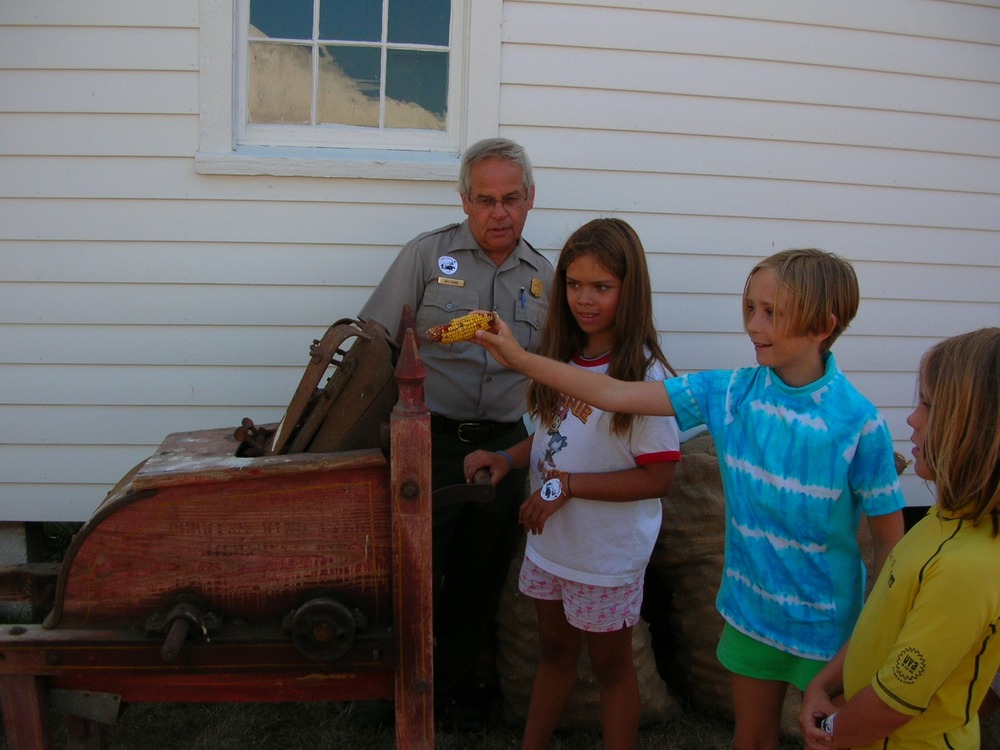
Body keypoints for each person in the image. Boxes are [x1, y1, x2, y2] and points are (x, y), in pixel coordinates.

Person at [474, 248, 906, 750]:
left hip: (833, 631)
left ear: (823, 325)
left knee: (834, 742)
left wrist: (872, 640)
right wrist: (521, 359)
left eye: (772, 312)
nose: (753, 325)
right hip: (749, 617)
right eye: (749, 307)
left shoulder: (862, 425)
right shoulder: (730, 394)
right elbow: (614, 394)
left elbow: (892, 551)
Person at [357, 137, 554, 728]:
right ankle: (389, 689)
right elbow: (376, 343)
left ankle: (453, 691)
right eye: (486, 200)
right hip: (430, 441)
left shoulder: (545, 278)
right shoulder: (426, 257)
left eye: (512, 199)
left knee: (479, 574)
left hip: (501, 443)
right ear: (465, 201)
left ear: (530, 199)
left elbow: (551, 370)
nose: (500, 213)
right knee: (413, 571)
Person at [464, 218, 681, 749]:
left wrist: (566, 488)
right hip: (552, 549)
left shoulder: (645, 379)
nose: (585, 299)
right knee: (554, 655)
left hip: (605, 557)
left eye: (602, 287)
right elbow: (549, 438)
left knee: (611, 669)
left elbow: (660, 477)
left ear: (631, 292)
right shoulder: (561, 361)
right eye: (575, 284)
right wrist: (505, 458)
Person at [799, 327, 1000, 750]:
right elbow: (882, 621)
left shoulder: (969, 567)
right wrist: (822, 684)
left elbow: (895, 703)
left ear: (977, 431)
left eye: (927, 405)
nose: (912, 418)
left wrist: (831, 734)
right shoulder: (940, 521)